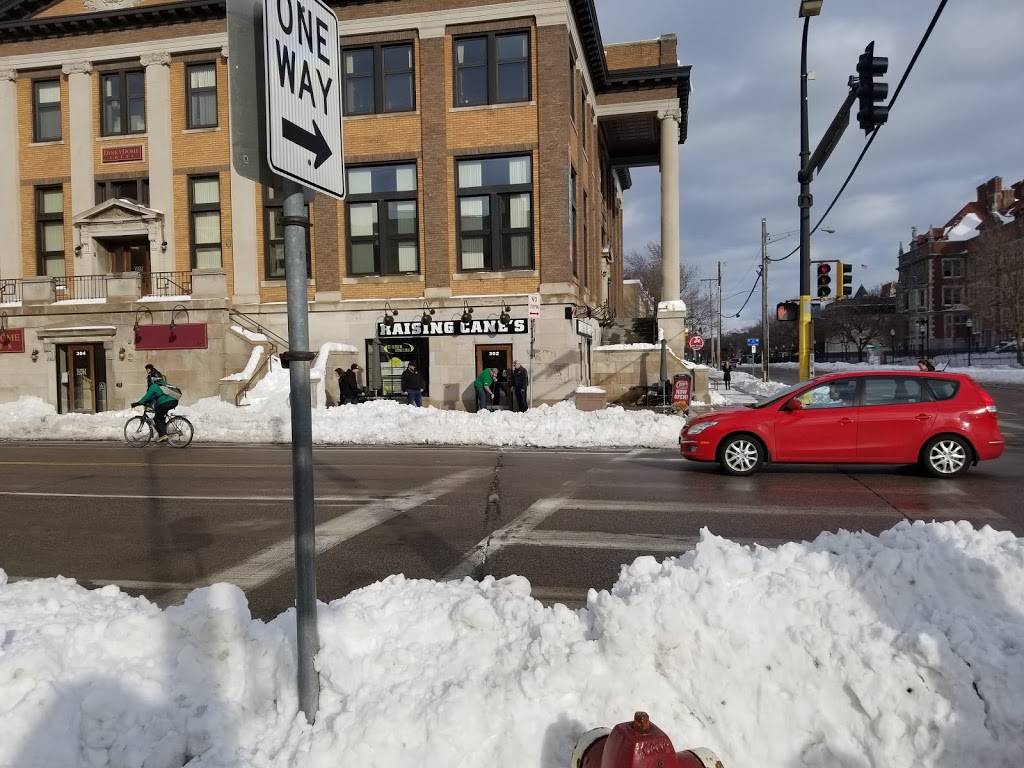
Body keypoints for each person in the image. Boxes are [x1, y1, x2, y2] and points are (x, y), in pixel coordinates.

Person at [131, 365, 178, 442]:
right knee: (161, 417)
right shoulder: (163, 383)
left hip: (166, 402)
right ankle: (162, 434)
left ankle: (163, 435)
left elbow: (147, 397)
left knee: (157, 418)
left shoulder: (154, 386)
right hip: (173, 401)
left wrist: (137, 403)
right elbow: (155, 395)